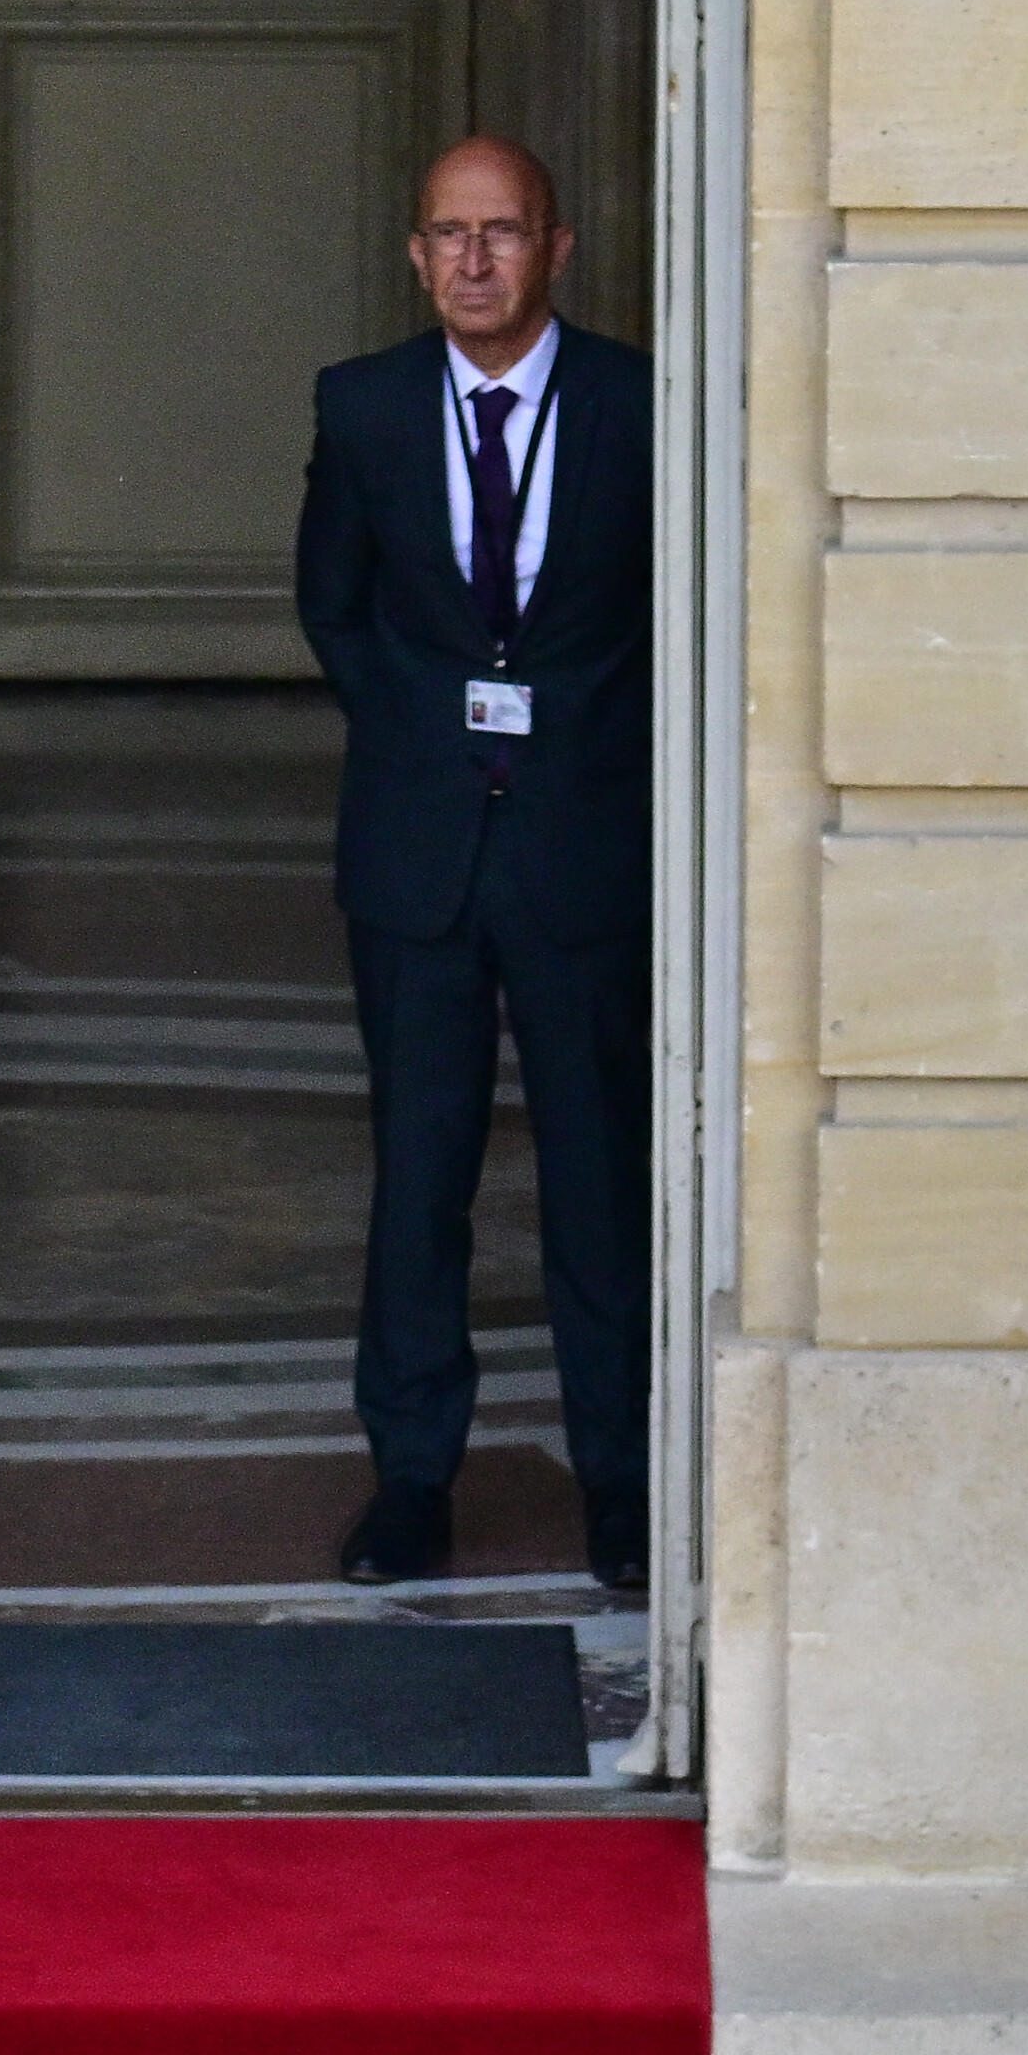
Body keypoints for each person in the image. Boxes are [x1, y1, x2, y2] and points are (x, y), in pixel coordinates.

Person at [293, 137, 658, 1594]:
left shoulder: (638, 404)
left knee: (598, 1180)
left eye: (500, 233)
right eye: (446, 234)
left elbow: (668, 614)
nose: (472, 261)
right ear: (414, 252)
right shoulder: (364, 406)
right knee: (418, 1174)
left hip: (581, 850)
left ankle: (622, 1482)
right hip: (418, 856)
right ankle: (411, 1477)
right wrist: (433, 739)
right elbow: (334, 607)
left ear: (556, 249)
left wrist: (574, 743)